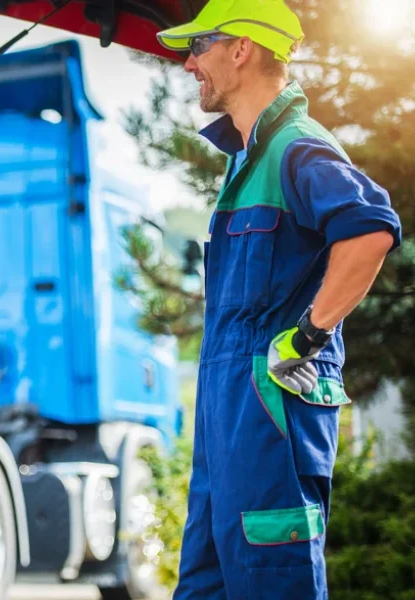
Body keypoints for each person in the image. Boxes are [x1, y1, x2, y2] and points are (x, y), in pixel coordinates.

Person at [154, 0, 403, 598]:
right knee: (207, 580)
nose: (188, 65)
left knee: (272, 578)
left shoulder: (296, 146)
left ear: (241, 48)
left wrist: (310, 335)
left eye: (198, 47)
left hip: (271, 407)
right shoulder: (248, 160)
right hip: (230, 409)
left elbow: (369, 230)